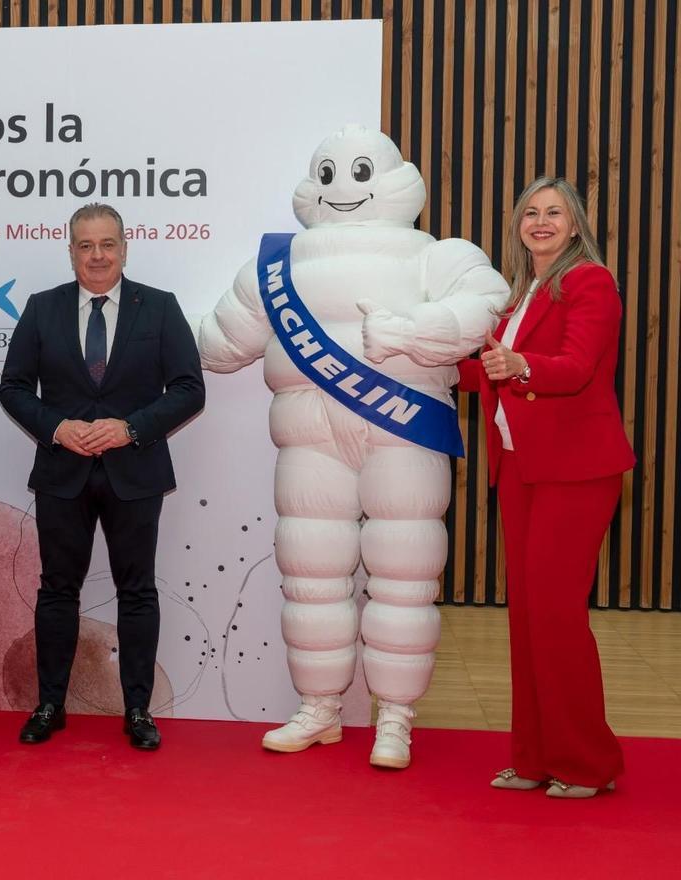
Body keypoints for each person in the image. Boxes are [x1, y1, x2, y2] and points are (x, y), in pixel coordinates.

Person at [193, 125, 507, 768]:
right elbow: (217, 344)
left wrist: (415, 331)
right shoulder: (275, 265)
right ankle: (320, 707)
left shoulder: (437, 254)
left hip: (405, 429)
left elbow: (487, 304)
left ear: (392, 179)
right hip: (308, 437)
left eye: (359, 172)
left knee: (405, 574)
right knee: (310, 575)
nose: (343, 187)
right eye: (329, 173)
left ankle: (396, 716)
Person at [0, 203, 204, 750]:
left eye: (106, 244)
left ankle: (137, 709)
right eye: (85, 245)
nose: (97, 255)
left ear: (124, 247)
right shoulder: (42, 309)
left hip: (134, 474)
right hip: (61, 474)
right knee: (56, 591)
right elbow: (13, 388)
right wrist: (57, 427)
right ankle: (50, 703)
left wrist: (130, 428)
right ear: (70, 251)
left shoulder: (159, 308)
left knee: (136, 592)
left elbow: (189, 389)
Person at [457, 177, 635, 798]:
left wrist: (520, 364)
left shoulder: (590, 281)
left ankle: (587, 763)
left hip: (576, 470)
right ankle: (534, 758)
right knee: (528, 619)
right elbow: (489, 373)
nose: (540, 221)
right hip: (522, 469)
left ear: (575, 224)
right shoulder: (521, 293)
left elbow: (579, 367)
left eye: (553, 213)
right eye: (530, 213)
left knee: (556, 617)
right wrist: (426, 358)